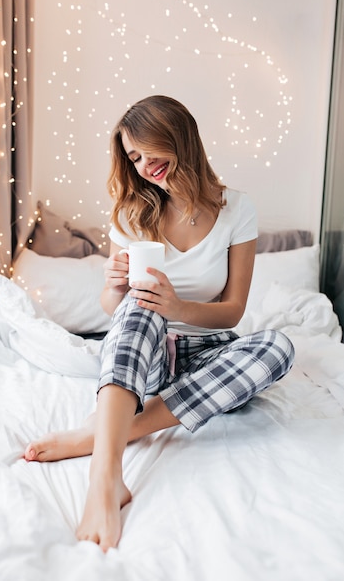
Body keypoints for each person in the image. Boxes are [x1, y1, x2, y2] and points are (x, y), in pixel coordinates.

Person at [24, 95, 295, 552]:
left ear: (179, 138)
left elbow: (232, 311)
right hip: (145, 357)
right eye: (133, 157)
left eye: (151, 150)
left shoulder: (238, 209)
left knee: (278, 346)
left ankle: (104, 432)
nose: (145, 165)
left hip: (209, 354)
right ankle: (106, 476)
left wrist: (179, 307)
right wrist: (114, 287)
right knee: (138, 307)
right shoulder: (132, 213)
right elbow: (116, 309)